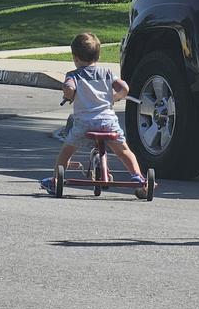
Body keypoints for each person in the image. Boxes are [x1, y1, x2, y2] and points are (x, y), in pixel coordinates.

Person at [42, 32, 145, 194]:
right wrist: (115, 97)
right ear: (97, 55)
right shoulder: (107, 73)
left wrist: (70, 96)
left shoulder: (74, 75)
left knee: (67, 150)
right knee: (124, 151)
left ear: (75, 58)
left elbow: (68, 88)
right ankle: (138, 177)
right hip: (109, 122)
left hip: (85, 123)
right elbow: (124, 87)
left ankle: (55, 180)